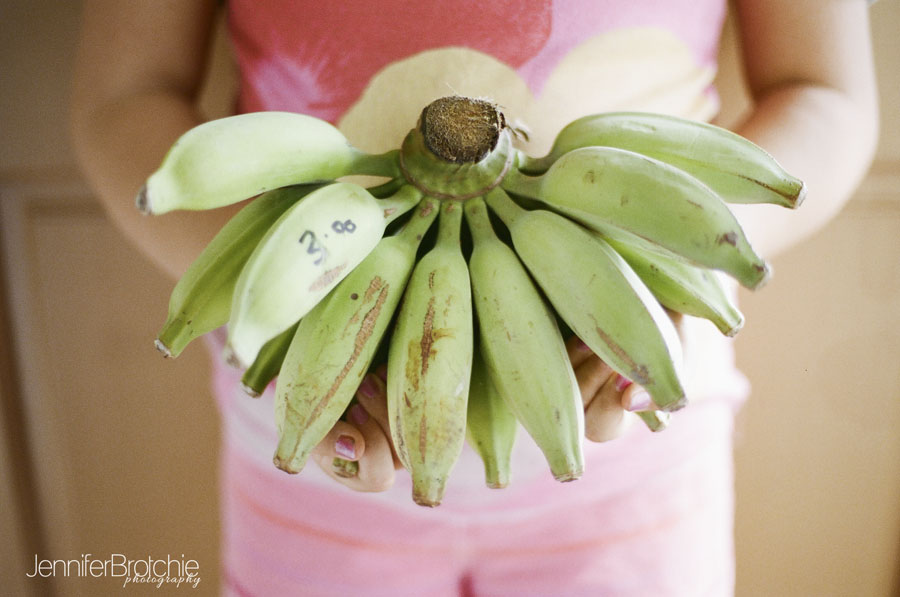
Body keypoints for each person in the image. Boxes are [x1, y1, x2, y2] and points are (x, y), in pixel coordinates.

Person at [70, 1, 879, 595]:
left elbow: (821, 90)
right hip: (310, 431)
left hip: (633, 455)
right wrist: (274, 297)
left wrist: (688, 253)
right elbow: (127, 94)